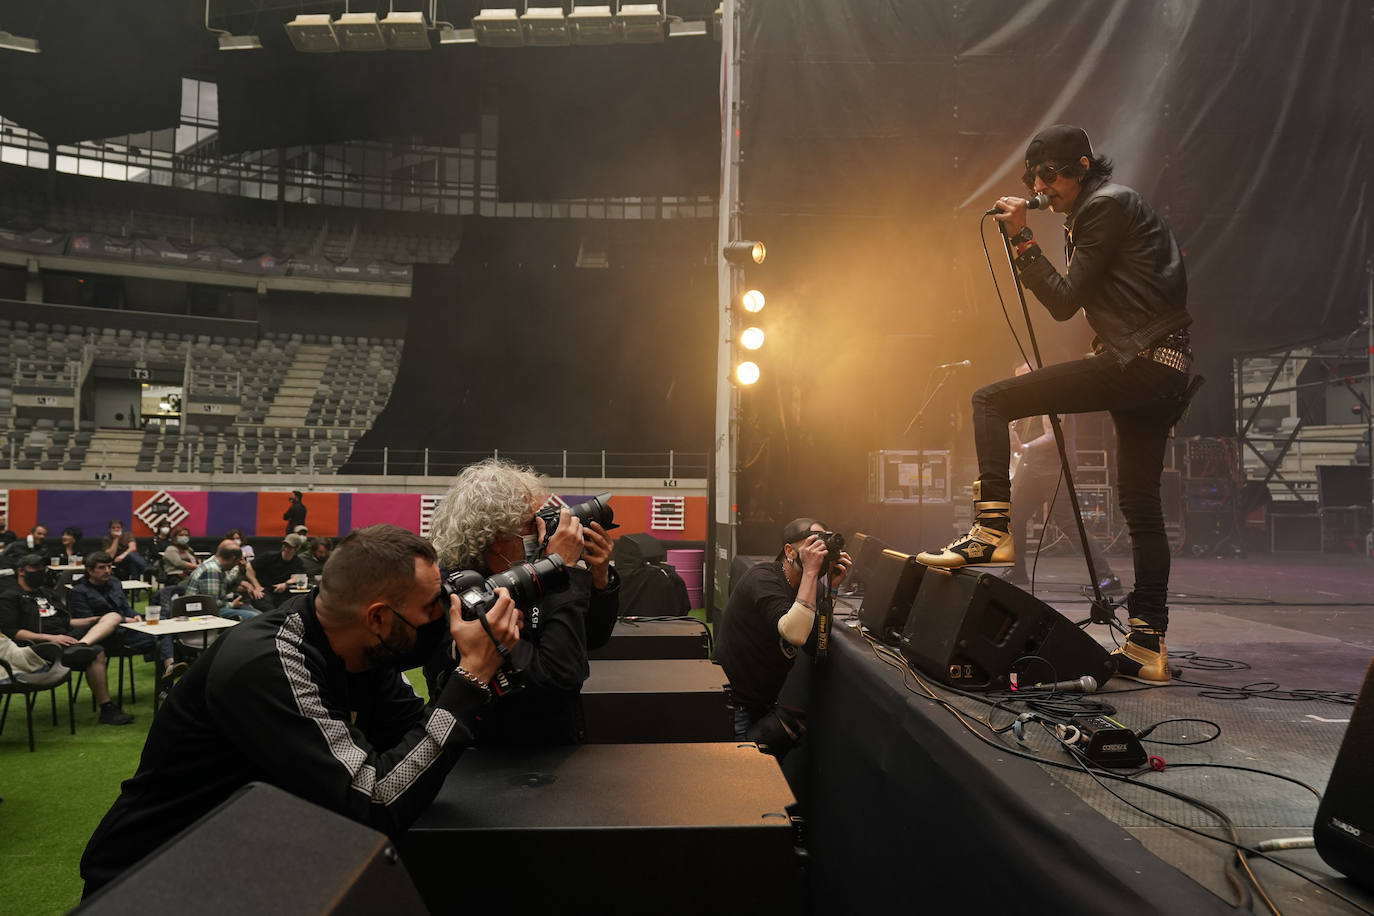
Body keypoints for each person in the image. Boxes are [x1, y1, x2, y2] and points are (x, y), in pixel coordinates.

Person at [79, 524, 521, 895]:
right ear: (379, 618)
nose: (441, 617)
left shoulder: (361, 650)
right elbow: (376, 801)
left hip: (243, 862)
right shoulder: (268, 663)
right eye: (430, 608)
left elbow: (408, 743)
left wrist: (471, 676)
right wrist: (471, 678)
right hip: (154, 878)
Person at [916, 125, 1192, 686]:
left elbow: (1065, 303)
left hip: (1137, 362)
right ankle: (1147, 644)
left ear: (1082, 167)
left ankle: (992, 530)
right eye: (1033, 177)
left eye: (1050, 175)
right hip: (1162, 367)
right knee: (1140, 506)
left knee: (990, 400)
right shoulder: (1106, 210)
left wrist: (1021, 238)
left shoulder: (1105, 208)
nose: (1041, 186)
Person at [425, 458, 619, 745]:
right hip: (488, 765)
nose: (542, 530)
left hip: (551, 753)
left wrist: (599, 580)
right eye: (531, 524)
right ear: (496, 538)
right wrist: (563, 569)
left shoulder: (523, 570)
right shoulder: (460, 597)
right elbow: (559, 676)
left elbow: (591, 638)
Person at [715, 518, 852, 747]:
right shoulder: (763, 578)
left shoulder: (807, 588)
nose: (818, 552)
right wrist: (810, 572)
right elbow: (795, 634)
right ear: (789, 550)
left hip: (762, 704)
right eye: (813, 542)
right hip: (733, 706)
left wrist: (831, 588)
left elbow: (812, 645)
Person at [1004, 363, 1121, 593]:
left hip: (1055, 469)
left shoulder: (1051, 398)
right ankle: (1017, 572)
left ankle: (1107, 577)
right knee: (1015, 516)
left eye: (1024, 378)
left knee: (1068, 523)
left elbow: (1052, 436)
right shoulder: (1028, 404)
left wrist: (1025, 446)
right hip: (1034, 469)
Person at [0, 553, 132, 724]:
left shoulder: (47, 593)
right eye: (35, 568)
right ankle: (107, 708)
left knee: (112, 616)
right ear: (21, 571)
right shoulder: (10, 596)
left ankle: (84, 643)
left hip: (67, 639)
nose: (40, 571)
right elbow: (12, 631)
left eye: (42, 568)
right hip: (38, 646)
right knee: (96, 653)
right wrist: (51, 638)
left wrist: (94, 620)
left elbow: (67, 621)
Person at [69, 551, 185, 684]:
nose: (107, 571)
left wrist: (134, 615)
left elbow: (125, 607)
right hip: (104, 637)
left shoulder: (114, 583)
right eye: (102, 567)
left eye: (109, 566)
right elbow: (87, 621)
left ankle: (169, 668)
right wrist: (124, 620)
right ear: (89, 570)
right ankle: (168, 674)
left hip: (127, 629)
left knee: (163, 623)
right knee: (160, 639)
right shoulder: (78, 591)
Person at [184, 540, 260, 621]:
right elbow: (212, 603)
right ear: (233, 558)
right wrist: (232, 604)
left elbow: (228, 587)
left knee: (260, 615)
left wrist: (242, 569)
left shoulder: (218, 566)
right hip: (202, 612)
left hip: (213, 608)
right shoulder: (212, 570)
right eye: (237, 563)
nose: (236, 565)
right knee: (254, 618)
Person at [249, 533, 307, 610]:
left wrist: (285, 584)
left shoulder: (297, 562)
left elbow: (297, 577)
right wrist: (256, 586)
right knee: (268, 608)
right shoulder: (269, 556)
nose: (286, 549)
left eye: (290, 547)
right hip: (263, 590)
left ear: (297, 548)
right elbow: (249, 567)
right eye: (285, 546)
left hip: (282, 594)